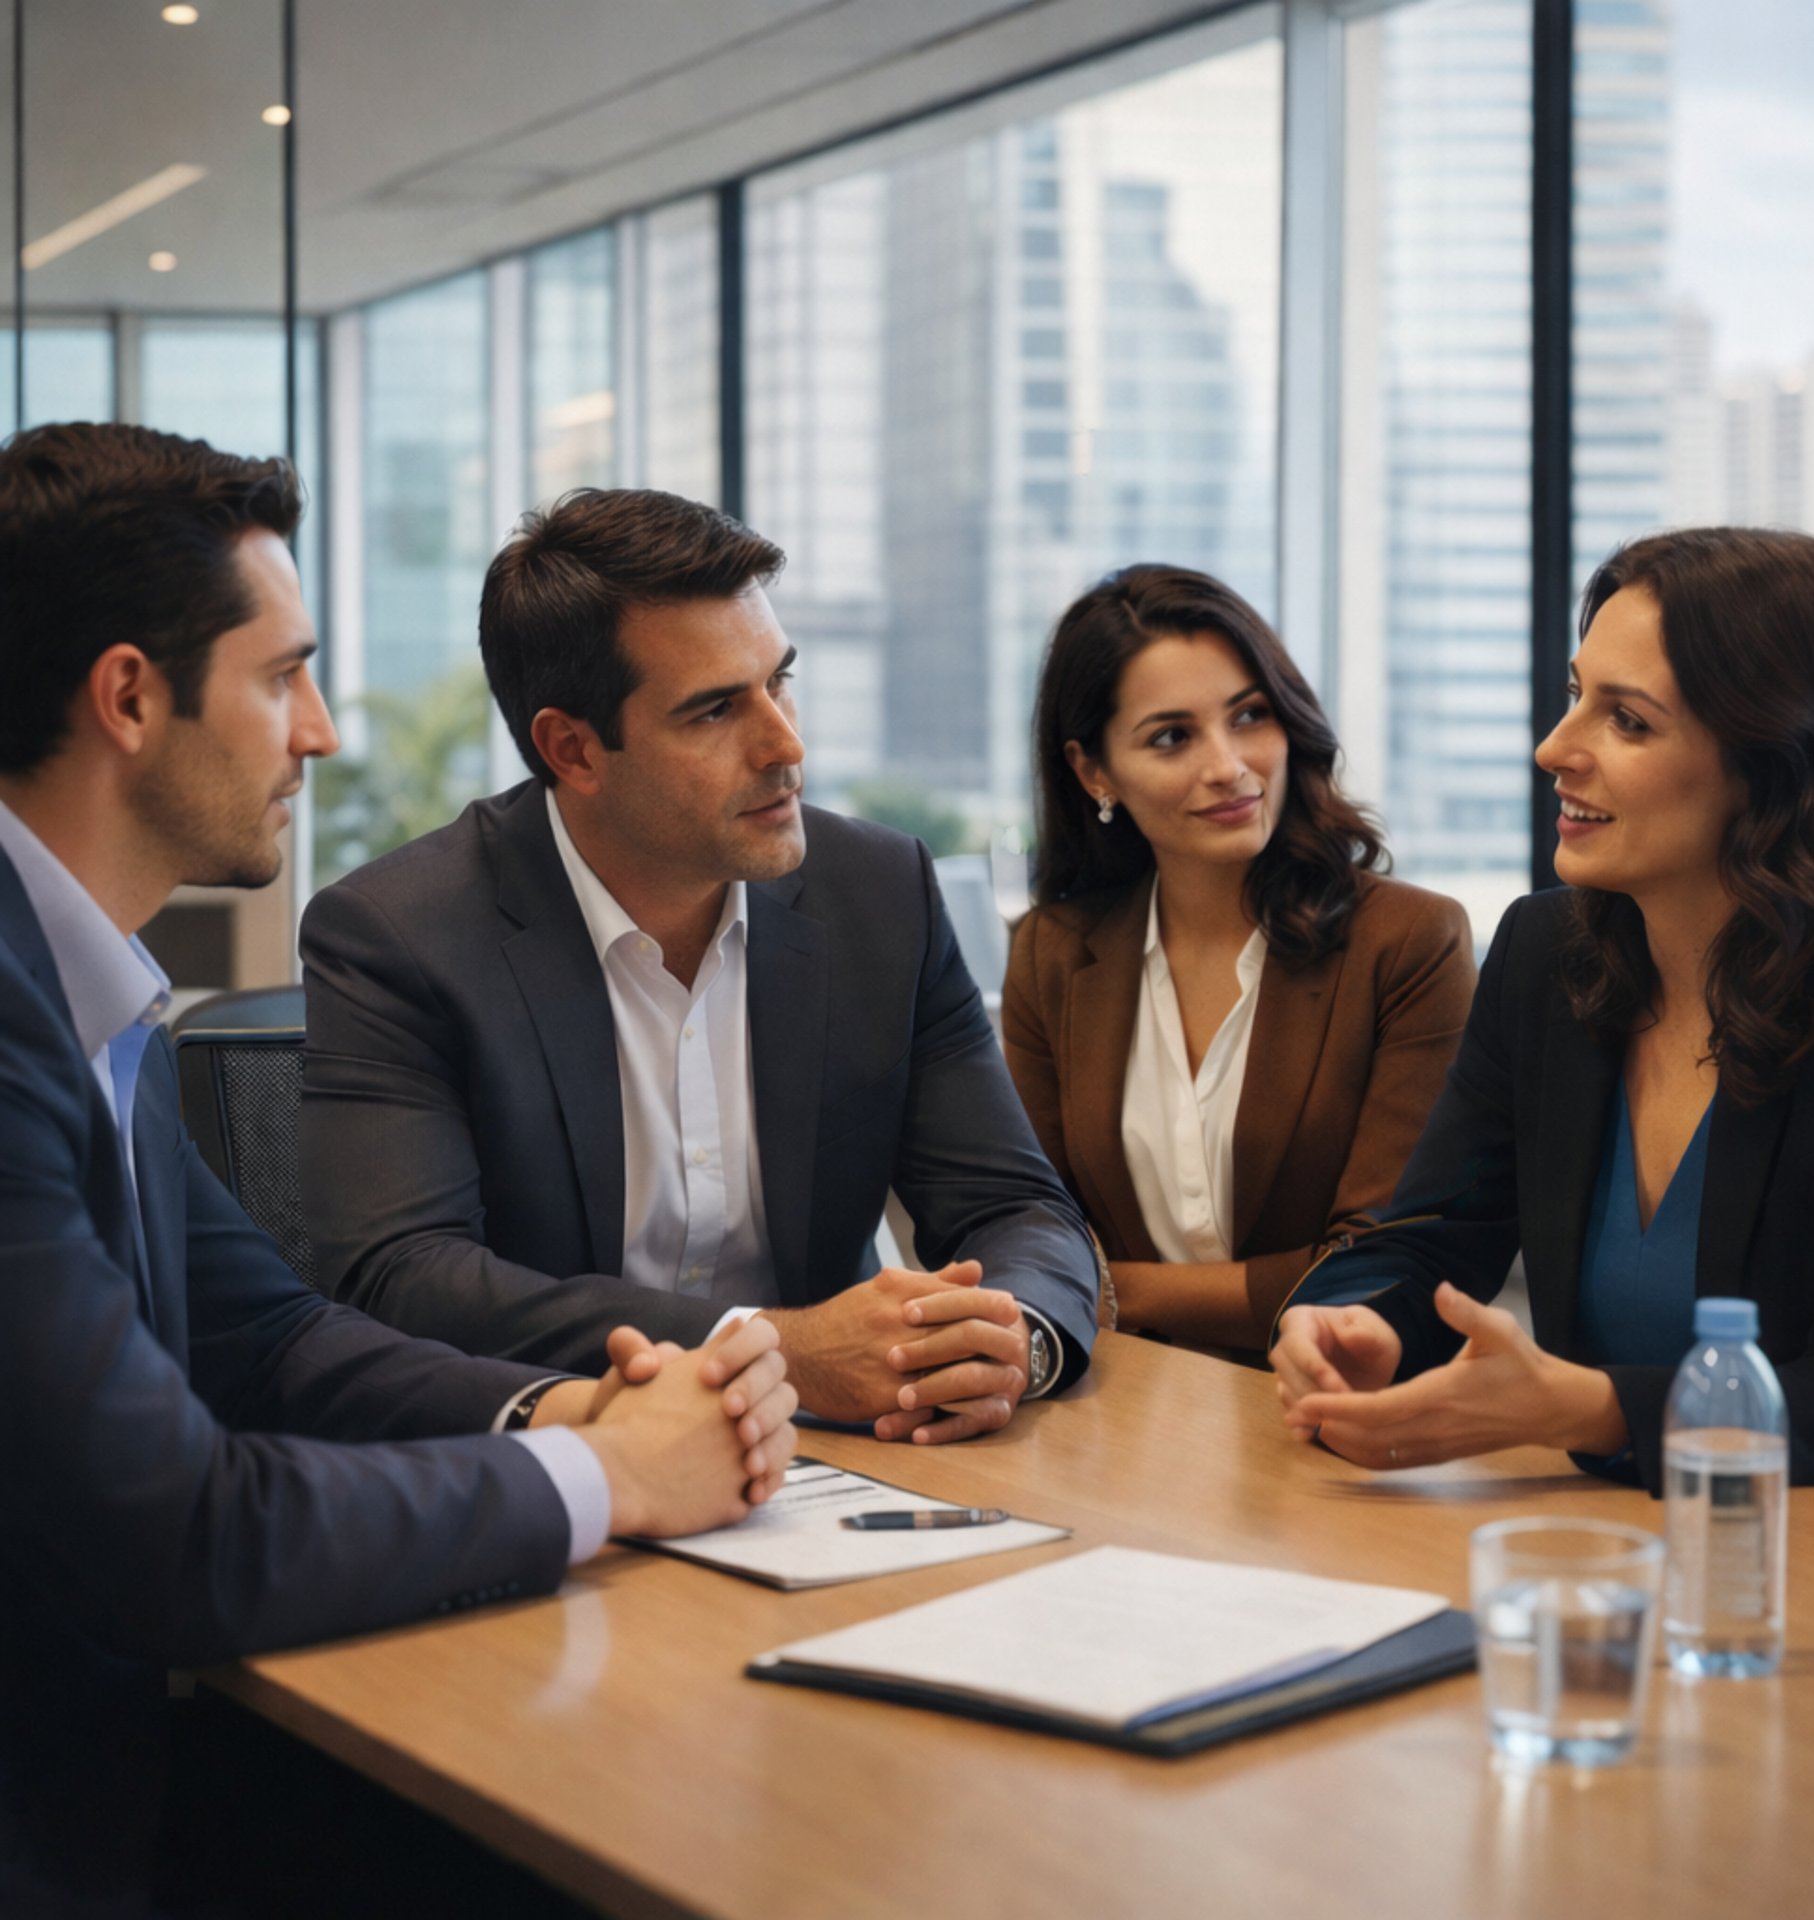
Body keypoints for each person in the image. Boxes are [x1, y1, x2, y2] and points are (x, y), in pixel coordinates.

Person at [0, 423, 798, 1910]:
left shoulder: (75, 984)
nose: (319, 731)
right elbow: (181, 1537)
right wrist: (602, 1474)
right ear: (128, 698)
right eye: (279, 674)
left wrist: (576, 1401)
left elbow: (272, 1334)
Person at [299, 488, 1099, 1443]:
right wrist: (773, 1349)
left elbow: (1015, 1207)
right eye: (716, 710)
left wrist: (1007, 1340)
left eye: (781, 682)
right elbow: (403, 1277)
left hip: (858, 1460)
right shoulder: (399, 935)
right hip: (562, 1463)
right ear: (575, 748)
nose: (785, 745)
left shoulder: (880, 895)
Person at [1272, 527, 1814, 1505]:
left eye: (1628, 721)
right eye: (1578, 695)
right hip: (1610, 1551)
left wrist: (1582, 1409)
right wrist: (1350, 1324)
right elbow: (1433, 1236)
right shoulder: (1544, 953)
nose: (1554, 749)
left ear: (1777, 766)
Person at [1002, 564, 1475, 1356]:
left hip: (1332, 1412)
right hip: (1116, 1413)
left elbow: (1381, 1267)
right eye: (1172, 736)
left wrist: (1116, 1289)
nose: (1228, 766)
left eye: (1249, 716)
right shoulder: (1052, 955)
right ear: (1093, 772)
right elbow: (1033, 1229)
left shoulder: (1410, 943)